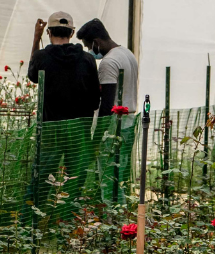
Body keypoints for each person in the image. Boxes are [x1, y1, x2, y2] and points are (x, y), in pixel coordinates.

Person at [24, 12, 100, 218]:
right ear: (72, 33)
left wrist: (35, 39)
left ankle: (28, 225)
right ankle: (66, 225)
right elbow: (95, 100)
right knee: (74, 180)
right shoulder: (87, 60)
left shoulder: (42, 57)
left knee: (41, 178)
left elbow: (32, 75)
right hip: (79, 130)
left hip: (51, 128)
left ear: (49, 32)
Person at [76, 18, 139, 202]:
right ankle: (120, 216)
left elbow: (107, 105)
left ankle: (114, 218)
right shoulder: (127, 54)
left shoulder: (108, 63)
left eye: (89, 46)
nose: (90, 51)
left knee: (108, 177)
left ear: (96, 42)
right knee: (118, 176)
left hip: (114, 127)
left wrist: (96, 140)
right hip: (129, 123)